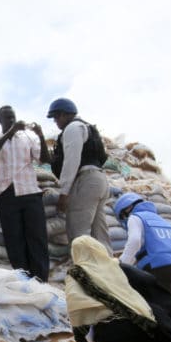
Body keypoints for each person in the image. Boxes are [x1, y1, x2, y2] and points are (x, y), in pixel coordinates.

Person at [0, 105, 50, 281]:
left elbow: (44, 160)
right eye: (7, 118)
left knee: (37, 238)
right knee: (14, 240)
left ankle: (41, 280)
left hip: (30, 193)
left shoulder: (27, 138)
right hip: (7, 195)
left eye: (13, 117)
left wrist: (41, 136)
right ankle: (23, 280)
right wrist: (10, 132)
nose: (11, 120)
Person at [47, 98, 111, 253]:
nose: (56, 122)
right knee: (100, 236)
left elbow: (71, 161)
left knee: (78, 235)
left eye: (56, 117)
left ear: (63, 114)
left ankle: (85, 273)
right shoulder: (88, 128)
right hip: (100, 180)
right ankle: (109, 272)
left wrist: (64, 193)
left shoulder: (73, 128)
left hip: (86, 180)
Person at [114, 192, 171, 296]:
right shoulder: (163, 221)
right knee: (170, 306)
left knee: (154, 307)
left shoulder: (135, 217)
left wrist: (122, 265)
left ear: (126, 209)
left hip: (157, 267)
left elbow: (135, 241)